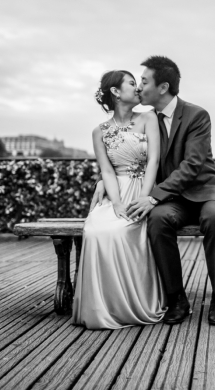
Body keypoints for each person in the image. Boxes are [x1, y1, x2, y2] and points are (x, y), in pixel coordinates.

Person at [92, 55, 215, 326]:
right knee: (158, 220)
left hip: (206, 190)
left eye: (144, 81)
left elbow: (193, 165)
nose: (139, 87)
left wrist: (152, 196)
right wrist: (102, 180)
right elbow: (126, 156)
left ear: (163, 87)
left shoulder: (196, 114)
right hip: (174, 198)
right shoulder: (144, 120)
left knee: (214, 219)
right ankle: (177, 299)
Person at [71, 69, 166, 329]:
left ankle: (132, 303)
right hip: (117, 191)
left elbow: (154, 160)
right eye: (132, 83)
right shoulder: (99, 131)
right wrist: (116, 203)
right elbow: (107, 171)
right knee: (94, 230)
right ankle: (104, 307)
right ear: (115, 92)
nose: (138, 89)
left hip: (144, 187)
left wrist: (145, 198)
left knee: (122, 231)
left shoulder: (149, 118)